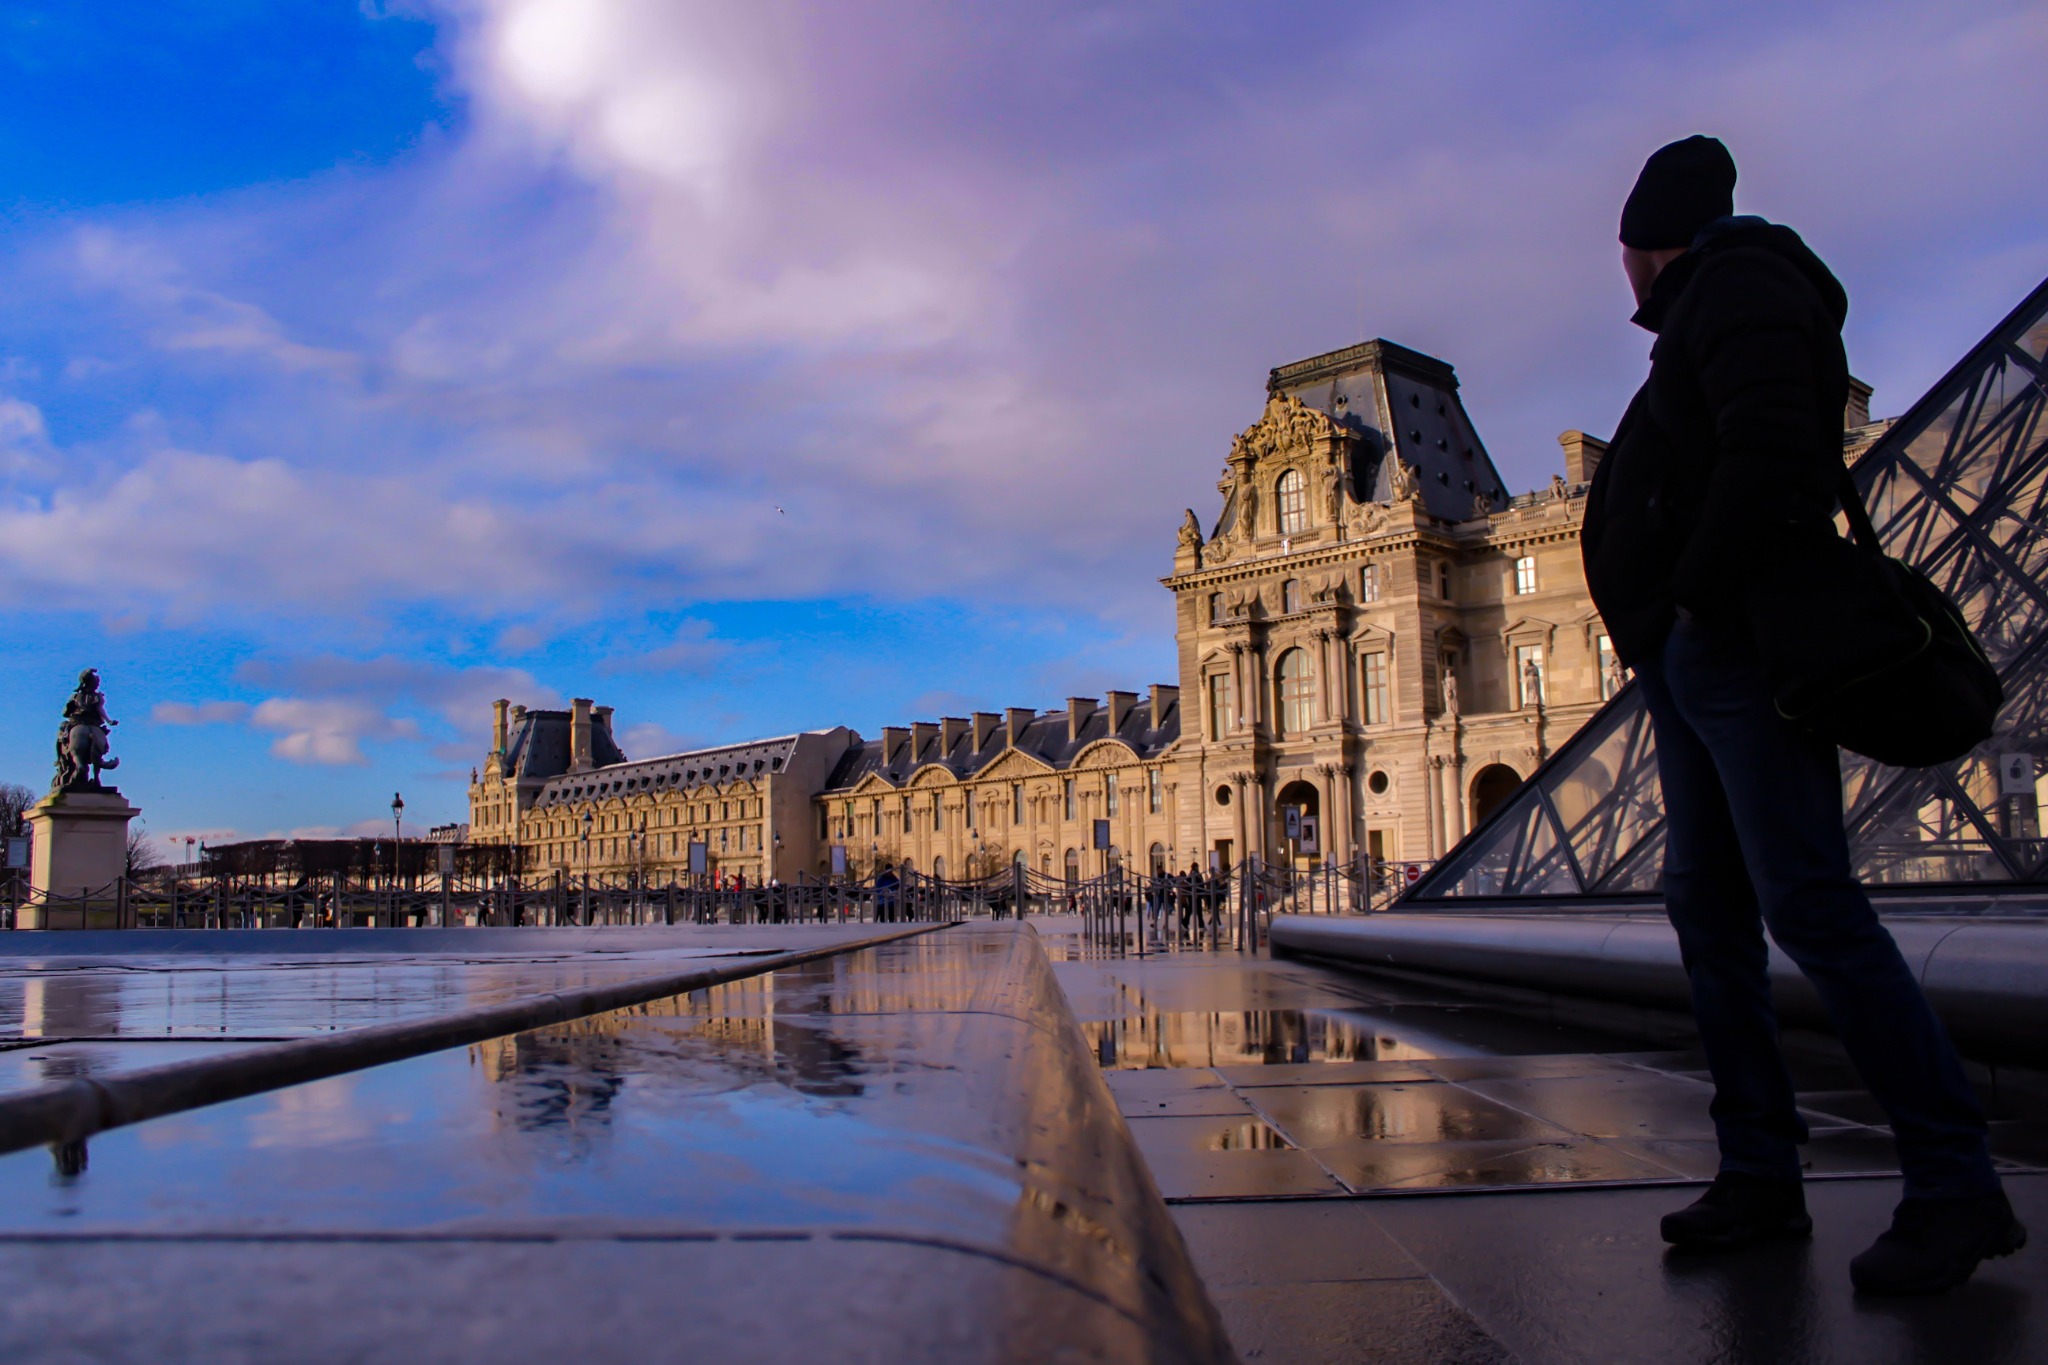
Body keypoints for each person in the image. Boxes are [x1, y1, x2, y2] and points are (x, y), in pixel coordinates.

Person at [1582, 135, 2025, 1295]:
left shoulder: (1741, 289)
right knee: (1711, 911)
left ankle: (1949, 1179)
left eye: (1620, 249)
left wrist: (1687, 607)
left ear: (1643, 244)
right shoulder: (1720, 302)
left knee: (1808, 909)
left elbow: (1771, 462)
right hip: (1693, 660)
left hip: (1727, 651)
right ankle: (1756, 1171)